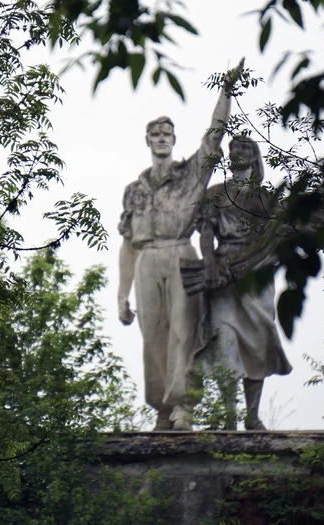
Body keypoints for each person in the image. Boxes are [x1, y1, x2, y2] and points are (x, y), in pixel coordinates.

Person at [117, 59, 245, 431]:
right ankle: (160, 409)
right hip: (147, 259)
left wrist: (226, 90)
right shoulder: (135, 189)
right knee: (152, 337)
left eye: (166, 134)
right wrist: (121, 295)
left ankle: (183, 407)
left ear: (173, 140)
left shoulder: (191, 173)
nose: (161, 138)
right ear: (147, 140)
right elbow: (128, 245)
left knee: (184, 332)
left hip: (181, 255)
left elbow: (215, 134)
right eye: (155, 134)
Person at [192, 136, 292, 430]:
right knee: (225, 341)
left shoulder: (267, 198)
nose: (238, 152)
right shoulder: (215, 193)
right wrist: (209, 262)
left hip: (257, 274)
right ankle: (229, 415)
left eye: (245, 148)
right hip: (223, 271)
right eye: (234, 148)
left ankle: (252, 415)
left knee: (259, 339)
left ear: (255, 156)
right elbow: (206, 232)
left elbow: (283, 232)